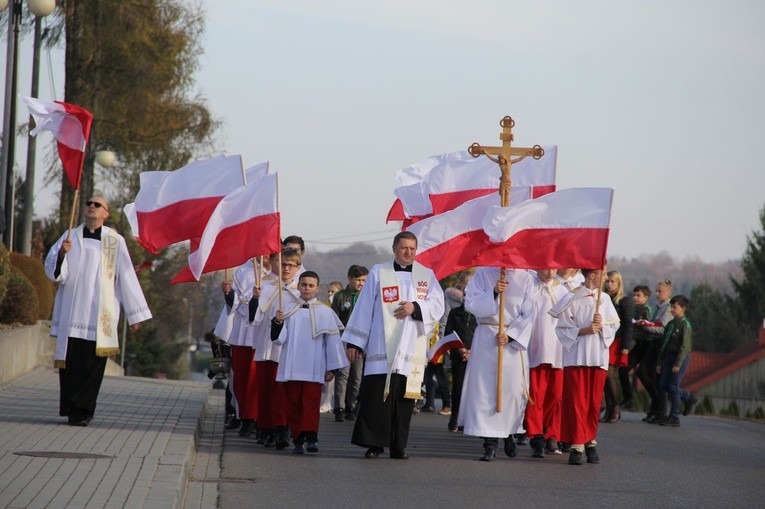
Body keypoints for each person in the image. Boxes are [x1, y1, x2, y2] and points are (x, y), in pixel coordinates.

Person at [45, 196, 152, 426]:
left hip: (99, 315)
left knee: (92, 368)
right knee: (71, 366)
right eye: (89, 203)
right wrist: (62, 254)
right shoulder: (69, 236)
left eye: (97, 205)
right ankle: (71, 409)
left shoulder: (115, 241)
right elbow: (53, 272)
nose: (91, 207)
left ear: (106, 214)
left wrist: (135, 314)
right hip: (73, 312)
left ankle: (84, 411)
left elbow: (126, 277)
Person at [344, 232, 444, 459]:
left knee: (404, 399)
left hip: (410, 346)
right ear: (394, 248)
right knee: (377, 396)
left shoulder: (426, 276)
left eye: (412, 248)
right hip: (382, 344)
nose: (408, 252)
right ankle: (374, 444)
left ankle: (398, 445)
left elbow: (437, 304)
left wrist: (415, 307)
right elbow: (364, 307)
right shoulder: (380, 272)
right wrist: (355, 342)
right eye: (404, 247)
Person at [458, 267, 535, 462]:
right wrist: (493, 292)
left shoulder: (525, 277)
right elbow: (471, 303)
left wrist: (510, 336)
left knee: (511, 391)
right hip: (487, 337)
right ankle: (489, 443)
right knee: (486, 392)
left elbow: (529, 313)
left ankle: (508, 432)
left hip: (510, 341)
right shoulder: (483, 274)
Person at [270, 271, 348, 453]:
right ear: (298, 286)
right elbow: (278, 340)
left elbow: (333, 343)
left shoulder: (326, 312)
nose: (307, 288)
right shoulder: (287, 310)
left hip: (314, 367)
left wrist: (332, 368)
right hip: (292, 365)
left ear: (317, 288)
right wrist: (278, 322)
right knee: (293, 404)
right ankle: (297, 439)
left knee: (311, 403)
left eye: (311, 285)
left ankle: (311, 437)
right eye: (304, 284)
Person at [551, 268, 619, 465]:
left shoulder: (604, 299)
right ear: (592, 275)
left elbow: (614, 325)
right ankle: (577, 445)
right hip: (577, 356)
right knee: (577, 402)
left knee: (593, 402)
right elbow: (562, 328)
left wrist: (603, 325)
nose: (606, 278)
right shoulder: (572, 298)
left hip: (598, 356)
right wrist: (586, 329)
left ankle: (590, 440)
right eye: (603, 274)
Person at [250, 249, 302, 449]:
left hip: (288, 350)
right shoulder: (265, 285)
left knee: (283, 392)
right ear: (274, 264)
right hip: (267, 347)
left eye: (291, 265)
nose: (286, 268)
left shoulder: (301, 290)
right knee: (265, 390)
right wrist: (255, 299)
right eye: (283, 264)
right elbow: (253, 318)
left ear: (297, 267)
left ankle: (282, 428)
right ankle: (265, 428)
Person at [524, 269, 569, 458]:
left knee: (556, 396)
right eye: (546, 267)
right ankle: (536, 436)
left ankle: (551, 431)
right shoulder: (529, 287)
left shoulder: (563, 291)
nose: (550, 272)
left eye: (554, 268)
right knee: (536, 395)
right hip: (536, 348)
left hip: (558, 349)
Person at [331, 265, 369, 422]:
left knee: (357, 375)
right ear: (350, 279)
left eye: (364, 280)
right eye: (358, 280)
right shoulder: (340, 296)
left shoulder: (367, 297)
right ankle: (339, 407)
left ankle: (352, 405)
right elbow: (334, 319)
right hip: (344, 339)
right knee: (343, 374)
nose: (361, 283)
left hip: (361, 340)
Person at [636, 280, 674, 423]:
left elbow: (662, 328)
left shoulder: (668, 308)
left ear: (668, 292)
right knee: (644, 372)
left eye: (660, 291)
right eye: (657, 291)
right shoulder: (658, 307)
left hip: (661, 344)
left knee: (658, 378)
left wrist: (645, 326)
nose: (657, 294)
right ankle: (656, 405)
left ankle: (660, 410)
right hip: (654, 343)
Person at [657, 295, 698, 426]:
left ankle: (674, 417)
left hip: (679, 358)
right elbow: (664, 344)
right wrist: (659, 362)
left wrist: (678, 363)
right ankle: (688, 397)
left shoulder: (685, 325)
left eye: (675, 307)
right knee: (663, 385)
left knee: (673, 386)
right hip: (668, 357)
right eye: (671, 306)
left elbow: (685, 346)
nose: (672, 309)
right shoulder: (671, 324)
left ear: (683, 308)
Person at [602, 270, 634, 423]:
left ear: (619, 283)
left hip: (618, 341)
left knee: (609, 373)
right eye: (607, 281)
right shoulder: (603, 297)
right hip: (604, 339)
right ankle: (609, 408)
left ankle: (615, 406)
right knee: (603, 375)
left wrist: (626, 345)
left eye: (612, 281)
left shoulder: (624, 301)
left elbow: (628, 324)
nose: (609, 284)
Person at [443, 286, 476, 432]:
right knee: (458, 388)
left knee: (473, 390)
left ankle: (468, 420)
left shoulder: (479, 315)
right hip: (459, 356)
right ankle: (455, 417)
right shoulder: (455, 313)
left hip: (476, 355)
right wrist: (459, 349)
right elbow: (448, 333)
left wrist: (472, 350)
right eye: (466, 294)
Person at [618, 285, 652, 409]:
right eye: (634, 295)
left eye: (638, 295)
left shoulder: (646, 310)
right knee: (623, 370)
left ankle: (655, 401)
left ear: (646, 297)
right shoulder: (633, 308)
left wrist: (634, 327)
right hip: (636, 345)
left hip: (645, 345)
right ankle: (628, 398)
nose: (635, 298)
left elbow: (647, 329)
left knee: (645, 374)